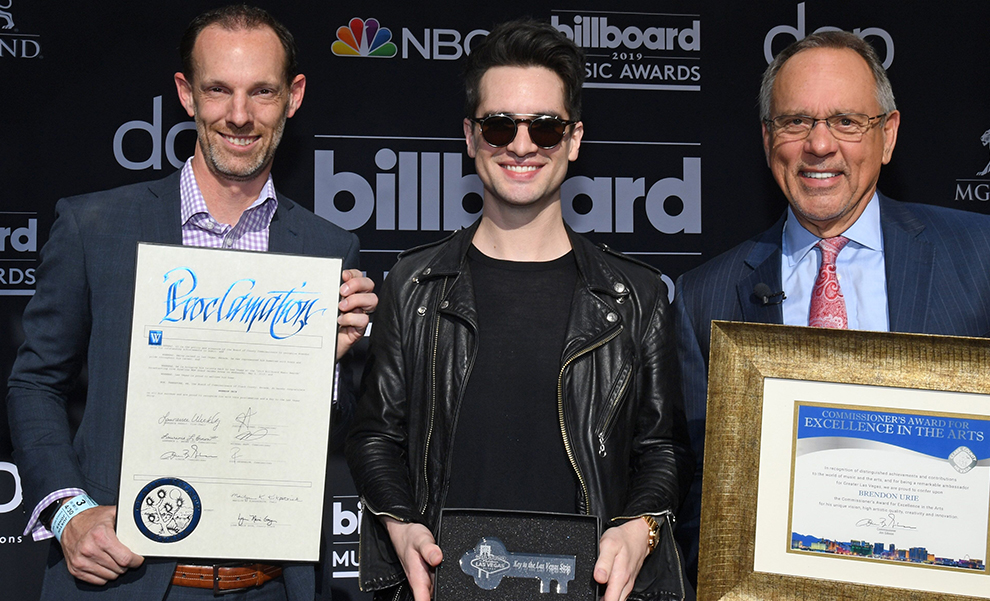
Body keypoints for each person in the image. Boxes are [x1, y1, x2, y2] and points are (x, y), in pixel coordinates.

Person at [6, 5, 376, 599]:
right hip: (124, 582)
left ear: (294, 96)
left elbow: (341, 435)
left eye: (262, 92)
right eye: (217, 90)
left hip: (273, 584)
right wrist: (68, 512)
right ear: (186, 94)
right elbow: (34, 385)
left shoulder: (330, 250)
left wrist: (326, 363)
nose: (239, 115)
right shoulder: (94, 226)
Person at [670, 30, 990, 582]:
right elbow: (697, 493)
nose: (820, 145)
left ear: (888, 135)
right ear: (767, 137)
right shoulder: (702, 296)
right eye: (796, 121)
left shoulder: (988, 257)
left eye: (847, 122)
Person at [345, 19, 692, 601]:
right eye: (500, 125)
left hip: (590, 587)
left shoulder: (637, 296)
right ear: (470, 135)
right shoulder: (414, 283)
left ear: (574, 139)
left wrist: (641, 527)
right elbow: (375, 435)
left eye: (546, 127)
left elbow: (662, 450)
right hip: (444, 584)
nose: (522, 145)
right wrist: (400, 524)